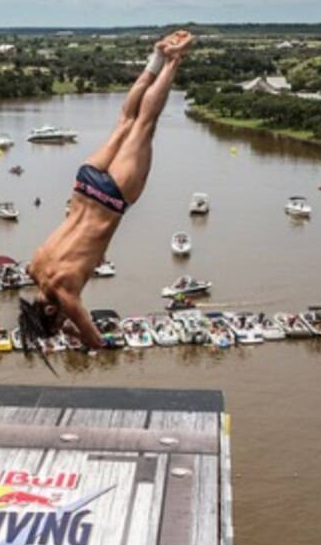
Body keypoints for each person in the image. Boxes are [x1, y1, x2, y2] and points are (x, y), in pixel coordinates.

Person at [20, 30, 195, 350]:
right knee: (126, 119)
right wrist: (56, 324)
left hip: (111, 198)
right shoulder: (34, 267)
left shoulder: (65, 296)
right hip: (84, 184)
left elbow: (95, 343)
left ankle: (174, 59)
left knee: (145, 124)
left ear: (49, 310)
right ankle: (156, 56)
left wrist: (73, 332)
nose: (64, 320)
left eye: (58, 320)